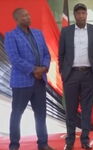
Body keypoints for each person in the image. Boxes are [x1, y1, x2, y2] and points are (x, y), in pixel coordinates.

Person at [4, 8, 53, 150]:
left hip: (39, 81)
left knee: (41, 114)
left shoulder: (38, 33)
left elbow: (46, 54)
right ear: (17, 19)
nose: (28, 17)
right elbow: (15, 59)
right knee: (17, 115)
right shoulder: (11, 36)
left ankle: (43, 144)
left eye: (28, 14)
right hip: (22, 82)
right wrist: (33, 70)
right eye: (24, 15)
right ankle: (14, 145)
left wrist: (43, 67)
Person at [58, 3, 93, 150]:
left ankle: (85, 140)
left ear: (86, 14)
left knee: (87, 109)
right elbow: (61, 54)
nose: (81, 16)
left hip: (89, 75)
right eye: (78, 13)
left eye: (83, 13)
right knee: (70, 109)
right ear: (74, 15)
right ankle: (70, 141)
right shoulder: (66, 31)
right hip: (71, 75)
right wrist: (63, 72)